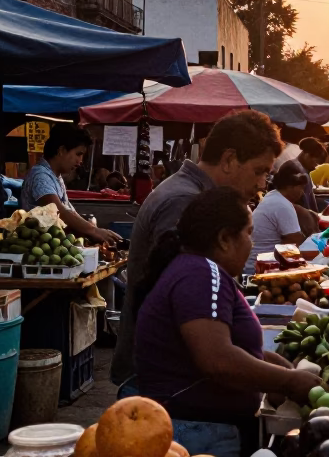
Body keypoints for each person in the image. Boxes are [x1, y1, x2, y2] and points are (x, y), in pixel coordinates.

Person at [135, 187, 320, 457]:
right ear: (224, 239)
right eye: (248, 232)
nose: (252, 241)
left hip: (201, 431)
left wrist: (277, 367)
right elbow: (218, 360)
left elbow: (233, 345)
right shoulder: (200, 273)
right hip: (197, 438)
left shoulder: (195, 269)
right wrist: (289, 381)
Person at [111, 110, 282, 386]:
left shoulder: (198, 197)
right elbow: (189, 303)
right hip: (163, 386)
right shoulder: (184, 202)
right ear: (229, 160)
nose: (262, 184)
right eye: (259, 171)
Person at [20, 123, 121, 245]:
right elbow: (58, 211)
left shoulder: (56, 176)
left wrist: (91, 227)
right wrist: (93, 231)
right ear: (62, 150)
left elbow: (70, 212)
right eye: (78, 154)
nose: (80, 161)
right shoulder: (40, 176)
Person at [245, 163, 308, 273]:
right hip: (261, 269)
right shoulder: (282, 205)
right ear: (290, 186)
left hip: (253, 265)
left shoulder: (273, 196)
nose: (302, 193)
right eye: (301, 188)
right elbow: (293, 243)